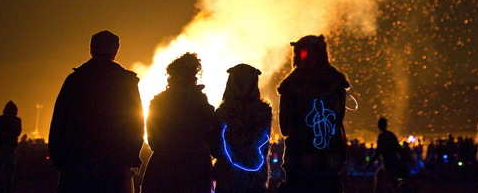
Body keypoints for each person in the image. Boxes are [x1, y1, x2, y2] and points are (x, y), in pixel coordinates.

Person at [49, 30, 143, 193]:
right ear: (116, 50)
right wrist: (131, 157)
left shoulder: (75, 80)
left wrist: (58, 158)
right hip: (114, 164)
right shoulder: (126, 81)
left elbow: (60, 120)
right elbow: (136, 122)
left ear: (91, 48)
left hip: (77, 162)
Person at [278, 35, 350, 193]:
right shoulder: (336, 81)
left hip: (299, 155)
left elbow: (285, 127)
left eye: (302, 53)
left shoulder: (291, 84)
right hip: (330, 155)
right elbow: (339, 118)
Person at [142, 53, 218, 193]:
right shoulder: (200, 101)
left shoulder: (159, 101)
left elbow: (153, 139)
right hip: (195, 165)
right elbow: (211, 130)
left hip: (164, 164)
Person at [214, 64, 272, 193]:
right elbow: (264, 143)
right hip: (253, 176)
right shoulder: (264, 111)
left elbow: (215, 147)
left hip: (229, 176)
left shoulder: (222, 112)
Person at [0, 101, 22, 193]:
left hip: (1, 147)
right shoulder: (17, 121)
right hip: (10, 149)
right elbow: (17, 132)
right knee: (9, 172)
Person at [372, 117, 403, 193]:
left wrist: (369, 162)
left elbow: (378, 151)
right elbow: (398, 148)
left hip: (387, 164)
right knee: (393, 183)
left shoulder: (382, 136)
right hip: (394, 162)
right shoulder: (391, 135)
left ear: (380, 125)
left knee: (382, 182)